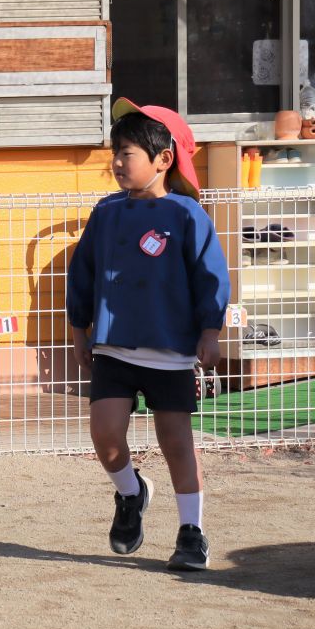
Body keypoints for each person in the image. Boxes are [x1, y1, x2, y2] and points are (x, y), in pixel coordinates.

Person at [66, 99, 230, 571]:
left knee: (176, 442)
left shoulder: (186, 215)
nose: (117, 162)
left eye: (128, 153)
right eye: (115, 152)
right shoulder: (106, 212)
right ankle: (131, 493)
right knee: (105, 435)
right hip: (114, 346)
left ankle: (191, 532)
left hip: (171, 349)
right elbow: (83, 273)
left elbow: (211, 278)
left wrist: (210, 330)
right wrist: (80, 329)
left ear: (164, 159)